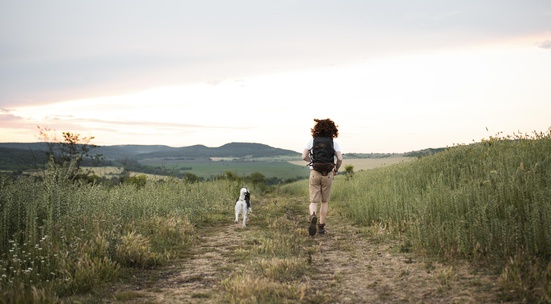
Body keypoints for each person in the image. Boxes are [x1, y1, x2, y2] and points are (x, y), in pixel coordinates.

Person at [302, 118, 343, 236]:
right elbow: (340, 159)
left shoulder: (312, 141)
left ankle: (312, 215)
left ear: (317, 129)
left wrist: (312, 162)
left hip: (315, 172)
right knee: (324, 201)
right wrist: (336, 169)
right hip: (328, 174)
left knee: (313, 200)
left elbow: (303, 156)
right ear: (332, 130)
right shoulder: (334, 143)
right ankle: (321, 227)